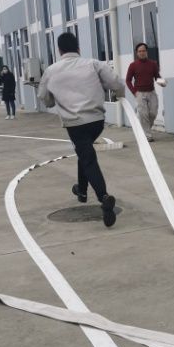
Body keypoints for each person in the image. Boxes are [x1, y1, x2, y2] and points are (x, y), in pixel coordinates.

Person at [37, 31, 124, 227]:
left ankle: (103, 197)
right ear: (78, 48)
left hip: (74, 123)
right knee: (84, 153)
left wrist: (53, 101)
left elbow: (44, 98)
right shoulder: (93, 64)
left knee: (87, 157)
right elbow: (116, 83)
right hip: (96, 121)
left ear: (59, 50)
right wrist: (120, 95)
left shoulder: (51, 71)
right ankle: (82, 191)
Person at [125, 42, 164, 142]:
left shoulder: (153, 64)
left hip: (151, 92)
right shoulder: (133, 65)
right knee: (144, 115)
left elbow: (157, 77)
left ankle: (143, 131)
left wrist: (162, 82)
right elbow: (128, 80)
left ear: (146, 52)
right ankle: (147, 136)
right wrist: (134, 92)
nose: (142, 53)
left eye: (143, 51)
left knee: (153, 113)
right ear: (137, 53)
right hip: (139, 93)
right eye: (140, 51)